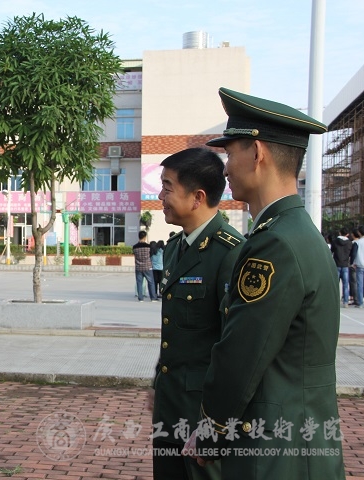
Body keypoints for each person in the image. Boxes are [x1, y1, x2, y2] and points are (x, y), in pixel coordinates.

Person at [185, 87, 345, 479]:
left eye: (229, 154)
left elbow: (242, 353)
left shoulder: (274, 244)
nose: (225, 168)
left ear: (257, 153)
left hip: (274, 452)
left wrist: (210, 431)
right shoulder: (297, 232)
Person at [148, 147, 244, 479]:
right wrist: (157, 384)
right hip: (169, 405)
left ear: (197, 197)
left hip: (204, 413)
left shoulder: (231, 253)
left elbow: (235, 347)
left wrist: (216, 423)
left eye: (167, 187)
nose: (160, 196)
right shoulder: (175, 248)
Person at [331, 227, 352, 308]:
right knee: (345, 285)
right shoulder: (349, 243)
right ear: (347, 234)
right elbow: (351, 254)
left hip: (336, 264)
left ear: (340, 233)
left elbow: (331, 251)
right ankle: (346, 302)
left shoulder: (335, 241)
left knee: (335, 285)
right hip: (345, 265)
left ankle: (334, 301)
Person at [133, 230, 157, 302]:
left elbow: (135, 255)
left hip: (138, 267)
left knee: (139, 283)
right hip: (147, 266)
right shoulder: (148, 246)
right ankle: (153, 298)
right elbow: (151, 255)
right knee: (151, 282)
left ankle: (140, 298)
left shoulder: (134, 247)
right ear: (145, 237)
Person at [349, 228, 360, 305]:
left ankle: (355, 298)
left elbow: (353, 254)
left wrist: (351, 263)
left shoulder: (353, 243)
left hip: (355, 264)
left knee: (354, 282)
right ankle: (362, 297)